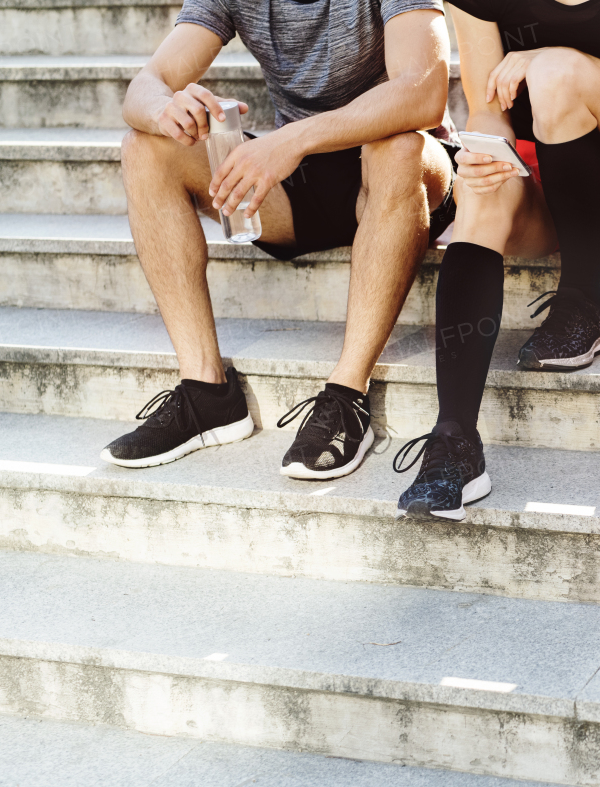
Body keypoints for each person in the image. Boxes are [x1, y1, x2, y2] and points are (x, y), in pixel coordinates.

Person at [104, 0, 459, 480]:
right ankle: (207, 392)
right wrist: (166, 109)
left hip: (397, 162)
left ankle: (347, 396)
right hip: (300, 183)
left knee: (397, 149)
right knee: (144, 148)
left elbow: (424, 91)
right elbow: (144, 87)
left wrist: (293, 141)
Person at [392, 0, 600, 520]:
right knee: (479, 193)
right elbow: (486, 106)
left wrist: (562, 60)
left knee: (556, 73)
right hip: (539, 181)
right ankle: (454, 443)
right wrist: (485, 153)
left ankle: (583, 299)